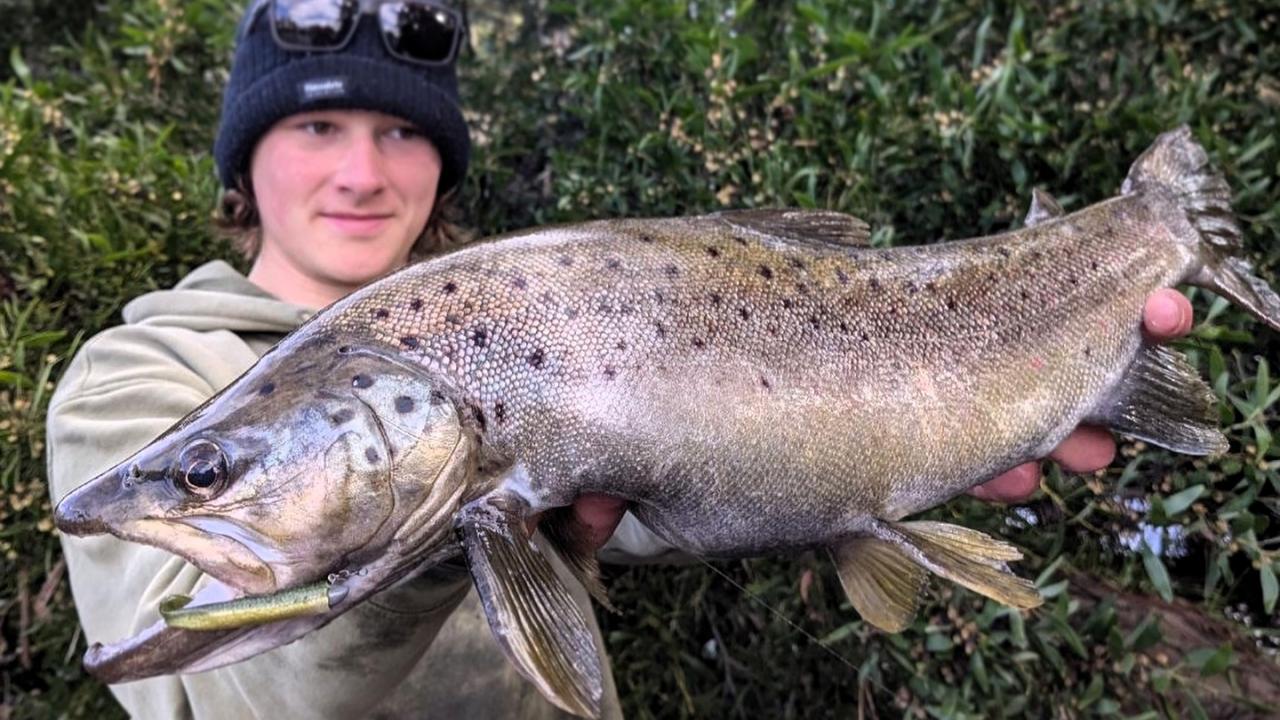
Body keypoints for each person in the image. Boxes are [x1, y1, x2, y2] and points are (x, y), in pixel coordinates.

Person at [46, 1, 1196, 717]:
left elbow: (650, 512)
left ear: (443, 164)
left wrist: (849, 474)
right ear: (240, 164)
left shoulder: (534, 302)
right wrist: (449, 538)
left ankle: (1156, 237)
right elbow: (230, 704)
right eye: (313, 127)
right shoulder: (138, 373)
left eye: (401, 129)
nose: (361, 173)